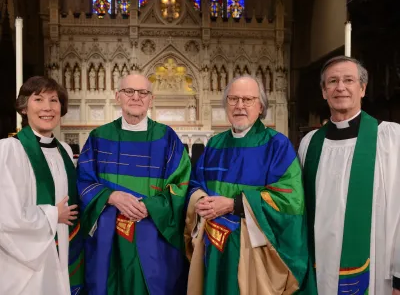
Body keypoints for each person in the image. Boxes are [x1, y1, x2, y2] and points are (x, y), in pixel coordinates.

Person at [185, 75, 316, 295]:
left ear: (261, 105)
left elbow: (289, 199)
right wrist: (199, 200)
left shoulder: (277, 145)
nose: (239, 106)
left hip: (253, 251)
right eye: (233, 99)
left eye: (248, 99)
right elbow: (196, 183)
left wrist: (234, 204)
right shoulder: (216, 143)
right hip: (214, 247)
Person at [77, 74, 191, 295]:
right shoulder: (99, 137)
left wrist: (152, 206)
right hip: (108, 238)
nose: (136, 97)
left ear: (151, 99)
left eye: (143, 93)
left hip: (153, 235)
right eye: (129, 91)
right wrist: (112, 197)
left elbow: (181, 183)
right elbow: (83, 180)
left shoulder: (166, 138)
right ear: (117, 96)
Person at [298, 56, 400, 295]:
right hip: (320, 267)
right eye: (332, 81)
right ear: (324, 92)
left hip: (376, 266)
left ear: (362, 88)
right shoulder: (309, 144)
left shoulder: (390, 139)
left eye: (348, 80)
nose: (340, 87)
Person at [0, 76, 83, 295]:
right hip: (24, 263)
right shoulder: (8, 150)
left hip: (62, 248)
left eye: (54, 100)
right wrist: (53, 214)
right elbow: (5, 215)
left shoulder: (63, 150)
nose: (48, 108)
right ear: (24, 107)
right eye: (38, 99)